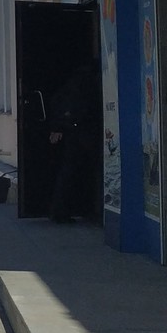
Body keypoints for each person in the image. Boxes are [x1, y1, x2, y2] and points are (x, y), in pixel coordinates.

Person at [46, 63, 100, 223]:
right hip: (80, 134)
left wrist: (57, 127)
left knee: (68, 172)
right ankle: (66, 211)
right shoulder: (85, 85)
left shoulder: (70, 86)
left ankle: (62, 211)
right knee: (75, 172)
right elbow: (82, 109)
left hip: (71, 133)